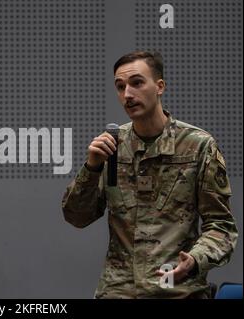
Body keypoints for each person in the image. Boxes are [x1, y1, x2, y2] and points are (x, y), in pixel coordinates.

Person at [62, 51, 238, 299]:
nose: (127, 95)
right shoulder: (112, 145)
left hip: (175, 289)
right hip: (118, 291)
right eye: (120, 86)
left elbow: (221, 227)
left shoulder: (197, 146)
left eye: (136, 83)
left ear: (159, 87)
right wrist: (91, 168)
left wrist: (196, 260)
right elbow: (77, 217)